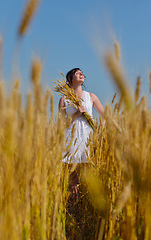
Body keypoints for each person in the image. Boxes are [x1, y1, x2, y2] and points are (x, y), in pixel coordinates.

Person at [58, 68, 105, 204]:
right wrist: (77, 114)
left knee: (89, 175)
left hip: (87, 140)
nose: (82, 74)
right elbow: (62, 124)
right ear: (71, 79)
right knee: (72, 179)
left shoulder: (90, 96)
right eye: (78, 73)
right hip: (71, 141)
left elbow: (104, 115)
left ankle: (89, 205)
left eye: (82, 73)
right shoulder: (64, 100)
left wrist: (100, 129)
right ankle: (75, 207)